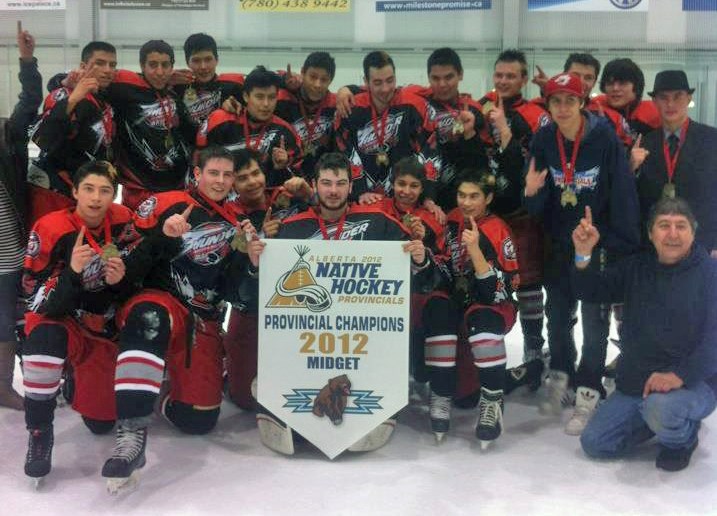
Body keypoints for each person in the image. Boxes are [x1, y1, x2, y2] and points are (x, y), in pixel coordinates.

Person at [245, 151, 431, 455]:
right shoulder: (292, 228)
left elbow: (420, 280)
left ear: (350, 186)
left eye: (341, 183)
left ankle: (381, 408)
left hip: (364, 337)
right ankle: (274, 399)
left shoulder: (380, 224)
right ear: (314, 185)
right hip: (308, 334)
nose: (333, 190)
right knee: (292, 358)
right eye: (327, 183)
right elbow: (259, 293)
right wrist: (256, 264)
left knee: (375, 366)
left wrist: (420, 261)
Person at [100, 146, 248, 492]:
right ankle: (131, 436)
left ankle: (160, 391)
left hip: (202, 321)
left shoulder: (236, 221)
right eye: (214, 173)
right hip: (160, 300)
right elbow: (124, 269)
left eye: (228, 175)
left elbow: (229, 288)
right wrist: (160, 238)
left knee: (199, 420)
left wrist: (248, 262)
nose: (221, 180)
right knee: (150, 317)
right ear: (197, 174)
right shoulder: (164, 202)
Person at [524, 73, 640, 435]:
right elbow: (536, 202)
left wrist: (619, 242)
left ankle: (590, 386)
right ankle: (561, 373)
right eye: (555, 101)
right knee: (557, 314)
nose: (561, 108)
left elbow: (622, 190)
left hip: (598, 240)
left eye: (569, 101)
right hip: (561, 241)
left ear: (583, 102)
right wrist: (529, 193)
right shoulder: (544, 139)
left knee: (594, 318)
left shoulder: (604, 138)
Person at [575, 198, 717, 471]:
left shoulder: (710, 274)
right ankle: (656, 419)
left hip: (692, 381)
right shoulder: (637, 267)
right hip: (638, 380)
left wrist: (679, 376)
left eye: (681, 226)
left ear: (693, 232)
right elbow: (591, 291)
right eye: (664, 226)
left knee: (662, 409)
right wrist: (583, 254)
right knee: (595, 442)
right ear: (651, 234)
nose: (672, 234)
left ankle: (680, 438)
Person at [21, 161, 140, 482]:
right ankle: (39, 433)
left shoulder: (125, 222)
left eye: (105, 191)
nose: (96, 198)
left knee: (101, 424)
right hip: (61, 319)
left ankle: (75, 382)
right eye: (88, 189)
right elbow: (39, 301)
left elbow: (136, 285)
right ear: (74, 191)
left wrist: (122, 282)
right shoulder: (50, 227)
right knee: (42, 340)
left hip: (101, 327)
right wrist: (72, 274)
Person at [420, 169, 518, 446]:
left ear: (488, 198)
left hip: (492, 306)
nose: (466, 202)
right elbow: (440, 264)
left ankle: (492, 401)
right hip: (458, 302)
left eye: (474, 196)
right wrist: (423, 256)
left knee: (482, 319)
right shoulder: (451, 220)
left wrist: (475, 251)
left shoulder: (498, 230)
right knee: (437, 308)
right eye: (462, 195)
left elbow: (500, 292)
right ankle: (440, 393)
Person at [477, 49, 549, 378]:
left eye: (511, 76)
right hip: (487, 215)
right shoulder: (479, 107)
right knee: (486, 281)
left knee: (529, 283)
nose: (504, 81)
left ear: (522, 79)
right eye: (499, 75)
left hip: (521, 213)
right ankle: (481, 351)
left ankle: (534, 346)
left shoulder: (536, 114)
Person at [223, 149, 312, 410]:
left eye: (255, 173)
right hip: (249, 304)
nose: (252, 182)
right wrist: (262, 236)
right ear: (232, 184)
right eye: (242, 178)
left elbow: (330, 211)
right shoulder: (230, 214)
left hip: (295, 303)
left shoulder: (287, 195)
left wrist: (309, 193)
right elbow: (235, 260)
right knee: (245, 400)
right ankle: (226, 363)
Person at [334, 51, 441, 216]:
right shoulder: (351, 107)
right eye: (377, 82)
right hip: (364, 200)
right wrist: (360, 191)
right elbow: (345, 152)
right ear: (366, 82)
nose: (385, 89)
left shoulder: (414, 105)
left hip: (405, 200)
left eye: (390, 80)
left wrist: (427, 196)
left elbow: (430, 150)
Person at [29, 41, 118, 224]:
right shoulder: (64, 94)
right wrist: (73, 98)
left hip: (87, 191)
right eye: (100, 63)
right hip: (55, 190)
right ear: (83, 67)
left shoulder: (105, 98)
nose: (108, 69)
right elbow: (42, 138)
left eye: (112, 65)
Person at [0, 24, 42, 410]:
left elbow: (30, 101)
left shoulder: (7, 136)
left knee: (5, 321)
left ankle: (3, 387)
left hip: (8, 255)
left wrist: (27, 61)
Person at [633, 70, 717, 258]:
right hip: (655, 247)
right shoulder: (644, 143)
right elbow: (637, 199)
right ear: (654, 102)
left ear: (688, 99)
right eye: (663, 98)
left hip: (702, 245)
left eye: (677, 96)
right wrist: (631, 168)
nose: (670, 104)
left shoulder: (712, 140)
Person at [105, 39, 194, 210]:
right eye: (153, 65)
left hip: (177, 186)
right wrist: (61, 82)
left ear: (172, 67)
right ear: (142, 65)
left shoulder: (174, 95)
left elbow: (189, 134)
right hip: (140, 189)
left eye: (165, 65)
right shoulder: (123, 89)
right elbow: (88, 76)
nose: (159, 72)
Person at [198, 66, 303, 189]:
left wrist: (283, 166)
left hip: (263, 200)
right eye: (259, 97)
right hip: (222, 196)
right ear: (246, 96)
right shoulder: (218, 121)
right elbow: (197, 165)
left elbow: (298, 180)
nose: (266, 104)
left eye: (272, 97)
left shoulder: (285, 131)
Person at [275, 51, 338, 179]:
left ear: (331, 80)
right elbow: (258, 82)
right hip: (284, 178)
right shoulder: (283, 100)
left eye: (324, 79)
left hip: (323, 180)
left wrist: (346, 90)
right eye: (313, 77)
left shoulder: (336, 105)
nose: (317, 84)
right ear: (302, 72)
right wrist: (282, 80)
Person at [171, 33, 245, 131]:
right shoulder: (176, 87)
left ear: (217, 60)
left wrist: (238, 108)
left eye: (208, 59)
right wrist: (164, 82)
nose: (203, 67)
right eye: (196, 61)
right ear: (187, 62)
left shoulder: (233, 87)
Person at [594, 58, 661, 140]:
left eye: (622, 83)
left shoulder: (655, 113)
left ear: (636, 86)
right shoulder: (594, 108)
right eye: (610, 83)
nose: (615, 88)